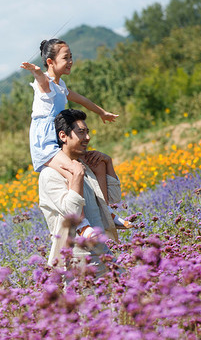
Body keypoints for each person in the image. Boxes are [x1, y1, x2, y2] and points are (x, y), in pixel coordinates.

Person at [21, 38, 119, 204]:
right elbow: (41, 80)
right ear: (50, 62)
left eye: (71, 57)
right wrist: (36, 71)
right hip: (45, 143)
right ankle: (80, 224)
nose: (71, 61)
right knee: (75, 172)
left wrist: (102, 113)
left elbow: (83, 100)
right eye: (66, 58)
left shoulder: (61, 86)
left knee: (98, 165)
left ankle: (107, 210)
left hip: (60, 139)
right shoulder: (45, 85)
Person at [38, 109, 130, 277]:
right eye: (81, 132)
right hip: (78, 258)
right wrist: (77, 176)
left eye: (87, 132)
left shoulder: (84, 165)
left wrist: (106, 164)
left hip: (101, 250)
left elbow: (113, 199)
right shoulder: (50, 175)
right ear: (63, 136)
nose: (87, 137)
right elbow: (72, 213)